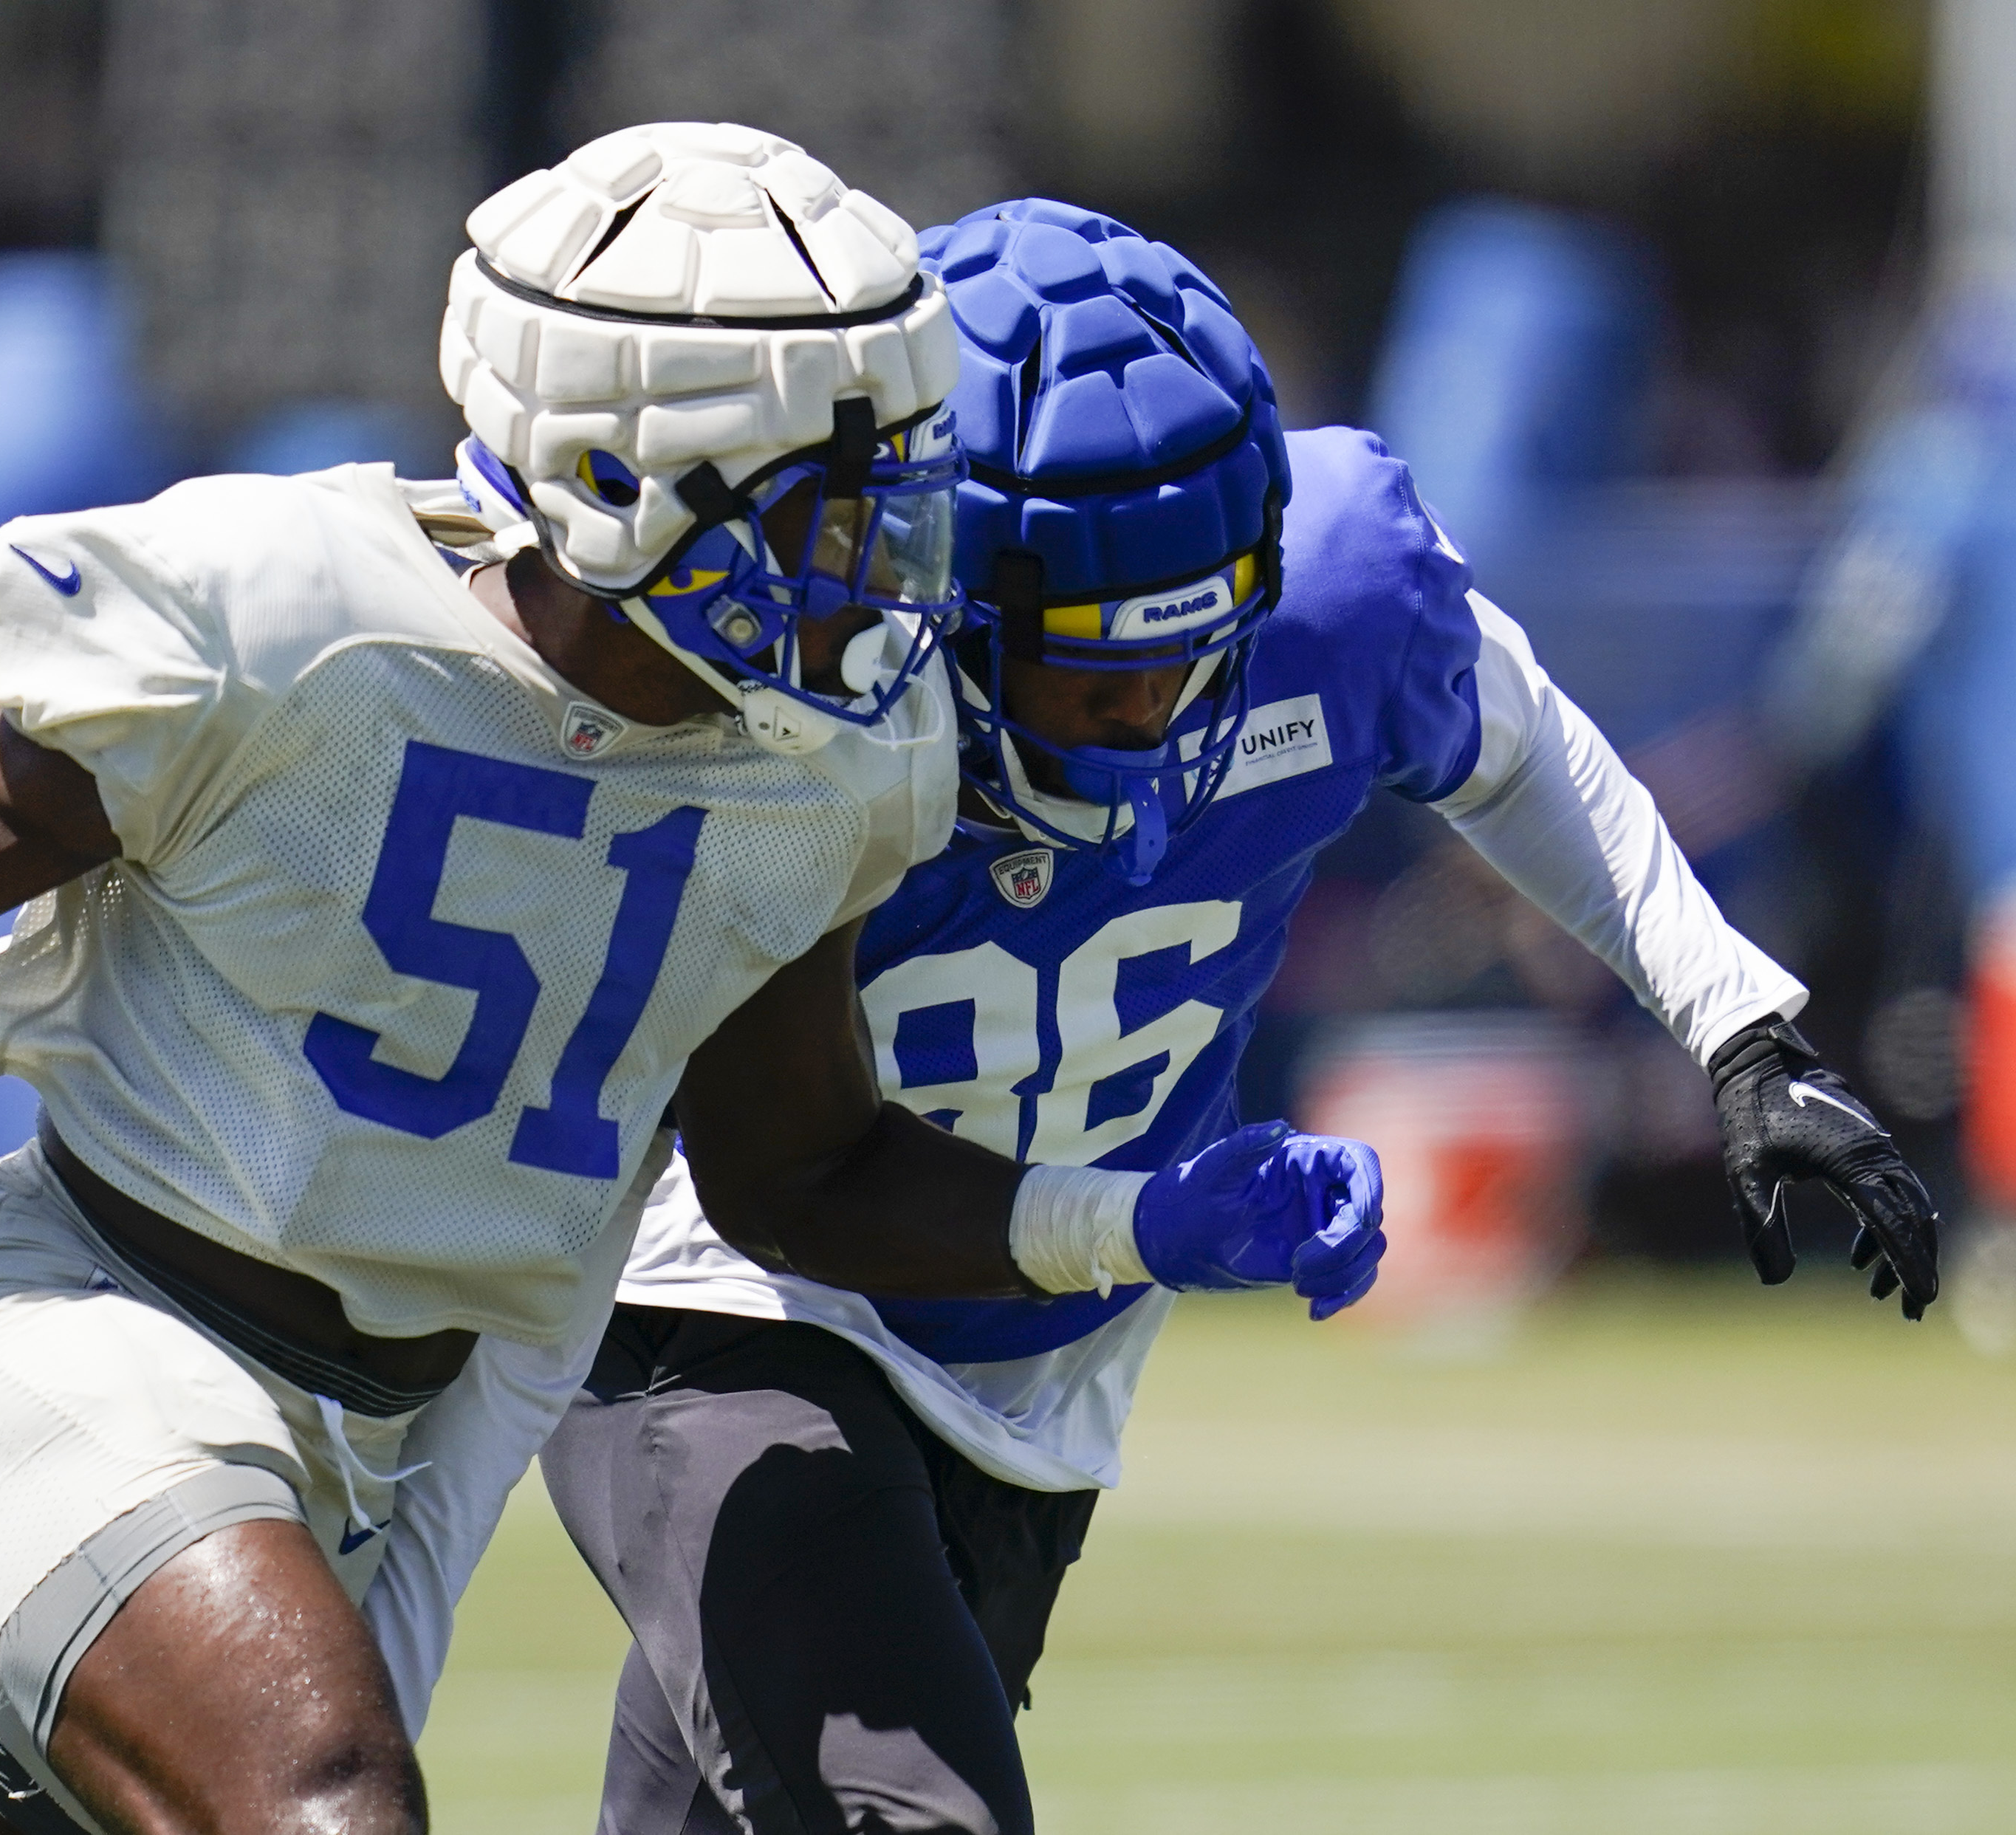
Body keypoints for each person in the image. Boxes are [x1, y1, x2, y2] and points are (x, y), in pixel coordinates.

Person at [0, 138, 1382, 1835]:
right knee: (325, 1804)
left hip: (405, 1427)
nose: (898, 560)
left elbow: (801, 1170)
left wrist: (1123, 1216)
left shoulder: (828, 756)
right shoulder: (272, 626)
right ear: (635, 479)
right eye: (844, 503)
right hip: (89, 1321)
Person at [532, 199, 1948, 1835]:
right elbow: (771, 1152)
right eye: (1097, 671)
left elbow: (1518, 747)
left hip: (1031, 1374)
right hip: (737, 1302)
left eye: (1196, 654)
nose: (1155, 717)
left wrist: (1739, 1029)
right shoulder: (811, 698)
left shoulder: (1330, 593)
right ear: (953, 608)